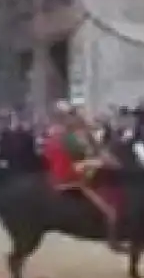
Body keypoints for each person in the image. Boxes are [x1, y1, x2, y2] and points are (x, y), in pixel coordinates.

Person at [42, 102, 123, 251]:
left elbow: (96, 150)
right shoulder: (66, 137)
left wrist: (106, 158)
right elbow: (77, 162)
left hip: (80, 167)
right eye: (73, 115)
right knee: (110, 210)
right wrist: (99, 162)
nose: (79, 118)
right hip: (72, 176)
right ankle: (112, 239)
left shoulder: (78, 134)